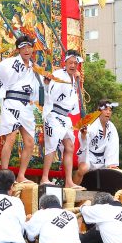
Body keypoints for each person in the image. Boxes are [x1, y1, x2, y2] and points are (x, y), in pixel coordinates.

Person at [0, 35, 43, 183]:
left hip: (26, 106)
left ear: (32, 49)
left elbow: (39, 88)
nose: (26, 50)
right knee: (10, 138)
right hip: (12, 102)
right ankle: (4, 174)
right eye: (23, 47)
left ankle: (21, 175)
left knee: (29, 142)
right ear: (18, 49)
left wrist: (47, 82)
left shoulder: (34, 67)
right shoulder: (11, 62)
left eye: (29, 47)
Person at [42, 49, 83, 189]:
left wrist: (77, 82)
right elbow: (48, 92)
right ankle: (44, 178)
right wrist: (47, 84)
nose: (73, 65)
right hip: (54, 114)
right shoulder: (58, 75)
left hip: (65, 117)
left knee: (69, 146)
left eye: (75, 63)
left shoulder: (74, 78)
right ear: (65, 63)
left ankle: (69, 181)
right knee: (52, 146)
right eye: (70, 63)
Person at [74, 100, 120, 186]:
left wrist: (111, 163)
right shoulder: (92, 123)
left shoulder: (111, 127)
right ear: (99, 111)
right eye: (105, 109)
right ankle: (72, 189)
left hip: (102, 158)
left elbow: (113, 146)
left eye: (110, 110)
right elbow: (83, 139)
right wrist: (84, 135)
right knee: (83, 169)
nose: (108, 112)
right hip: (88, 154)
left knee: (113, 172)